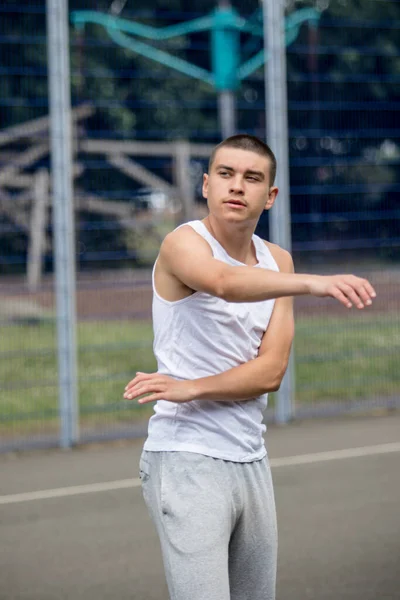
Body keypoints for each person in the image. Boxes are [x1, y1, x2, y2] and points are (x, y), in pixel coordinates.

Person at [123, 134, 376, 600]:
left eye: (251, 178)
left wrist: (193, 387)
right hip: (186, 457)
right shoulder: (182, 243)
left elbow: (270, 373)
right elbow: (223, 282)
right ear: (206, 185)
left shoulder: (278, 261)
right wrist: (316, 284)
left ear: (270, 195)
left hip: (251, 458)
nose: (236, 186)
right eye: (225, 174)